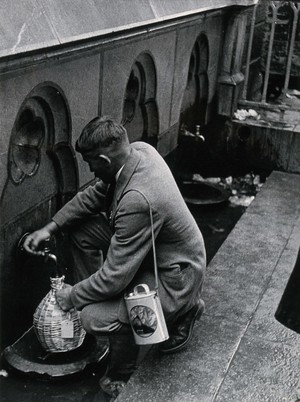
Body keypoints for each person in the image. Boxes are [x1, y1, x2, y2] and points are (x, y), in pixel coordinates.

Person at [23, 116, 206, 396]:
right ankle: (98, 303)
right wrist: (51, 227)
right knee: (81, 232)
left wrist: (72, 298)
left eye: (91, 165)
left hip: (175, 276)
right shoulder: (139, 151)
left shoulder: (137, 198)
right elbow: (95, 195)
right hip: (159, 253)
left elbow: (115, 278)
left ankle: (127, 367)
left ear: (105, 161)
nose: (91, 172)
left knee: (93, 318)